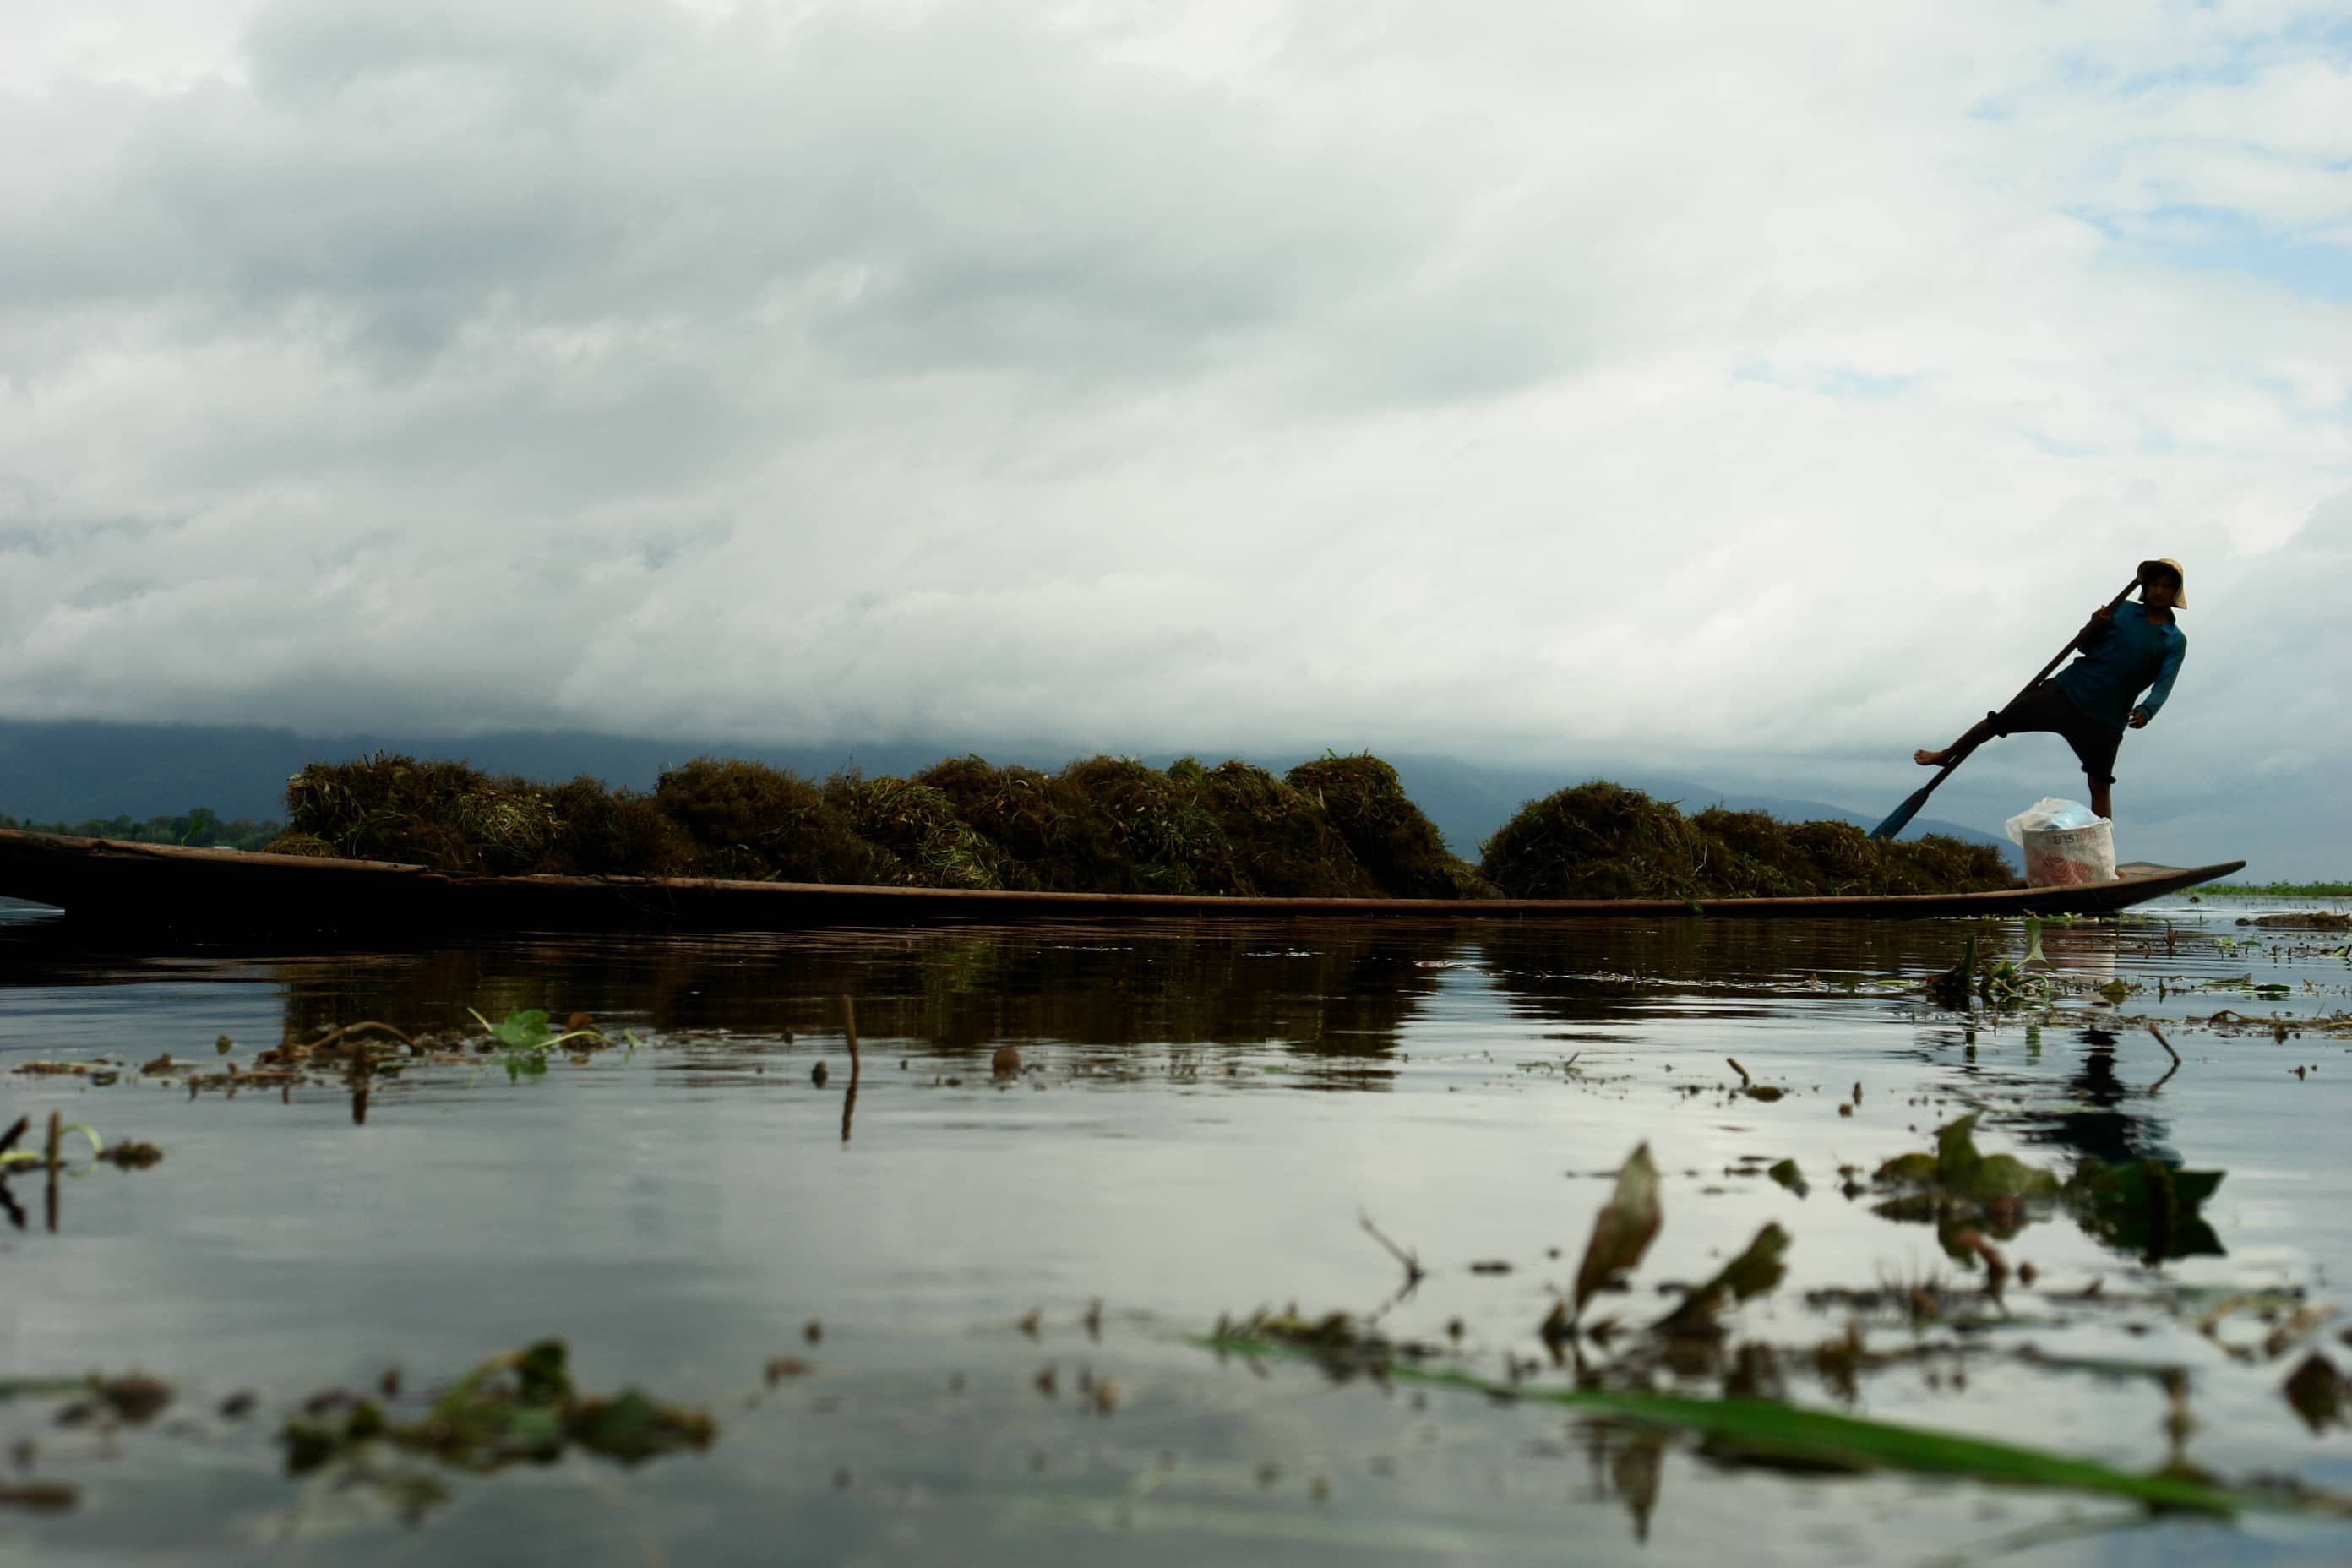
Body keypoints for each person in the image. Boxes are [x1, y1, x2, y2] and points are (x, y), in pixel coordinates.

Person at [1911, 558, 2187, 820]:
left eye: (2166, 586)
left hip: (2106, 717)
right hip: (2067, 691)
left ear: (2175, 593)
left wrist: (2146, 711)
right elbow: (2084, 646)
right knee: (1998, 722)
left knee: (2100, 784)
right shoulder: (2122, 609)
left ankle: (2105, 862)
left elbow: (2165, 683)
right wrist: (2094, 626)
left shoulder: (2174, 640)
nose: (2159, 591)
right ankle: (1946, 755)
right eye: (2155, 584)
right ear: (2146, 587)